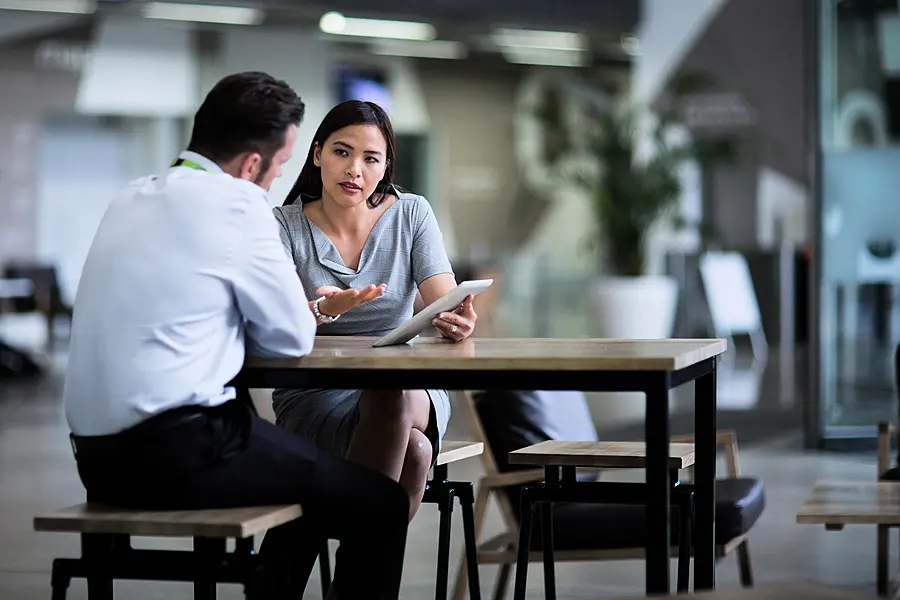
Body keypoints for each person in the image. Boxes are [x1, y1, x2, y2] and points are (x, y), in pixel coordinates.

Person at [63, 72, 411, 599]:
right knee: (380, 503)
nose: (275, 181)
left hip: (95, 458)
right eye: (277, 166)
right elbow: (292, 336)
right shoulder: (240, 203)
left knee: (310, 478)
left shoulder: (129, 198)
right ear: (252, 164)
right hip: (184, 450)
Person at [271, 100, 477, 524]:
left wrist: (459, 320)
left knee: (391, 392)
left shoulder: (412, 213)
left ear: (385, 168)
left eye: (370, 159)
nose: (354, 170)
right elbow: (277, 320)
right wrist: (324, 309)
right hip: (314, 391)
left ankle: (322, 571)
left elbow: (446, 300)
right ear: (317, 154)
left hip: (408, 389)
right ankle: (359, 582)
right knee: (416, 451)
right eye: (341, 152)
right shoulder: (283, 226)